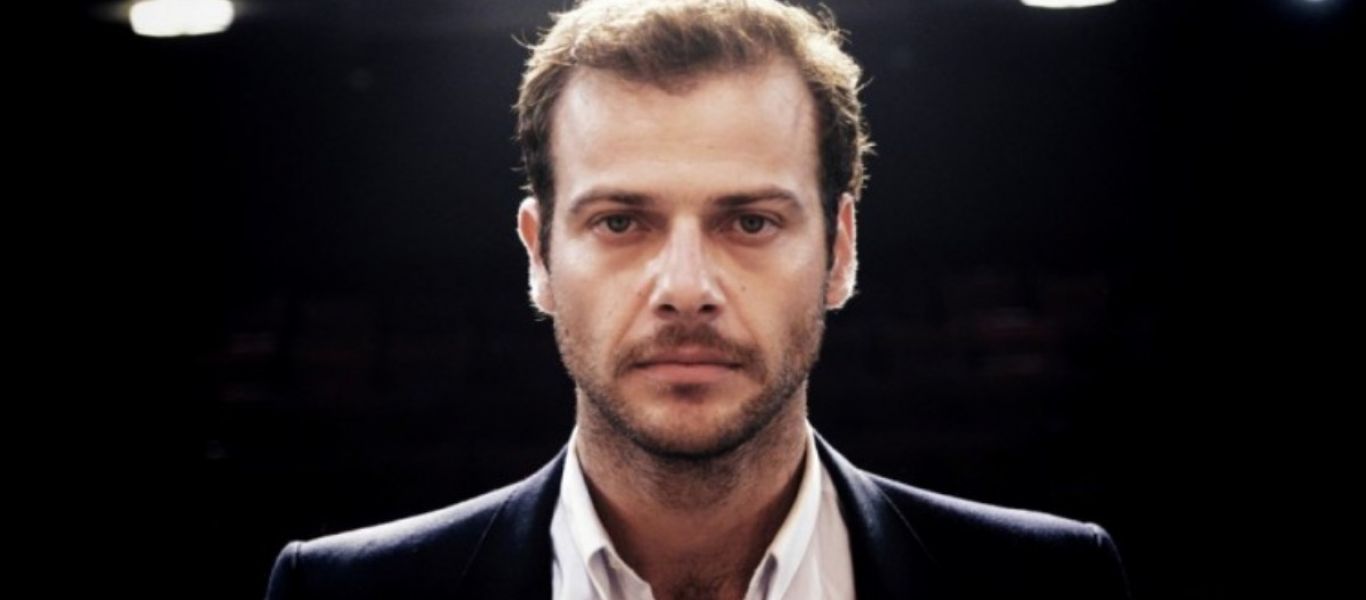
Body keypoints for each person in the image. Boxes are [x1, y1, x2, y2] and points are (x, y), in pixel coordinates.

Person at [265, 1, 1131, 598]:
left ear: (840, 251)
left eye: (750, 222)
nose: (685, 290)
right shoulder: (341, 594)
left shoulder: (1052, 584)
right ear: (539, 255)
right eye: (620, 222)